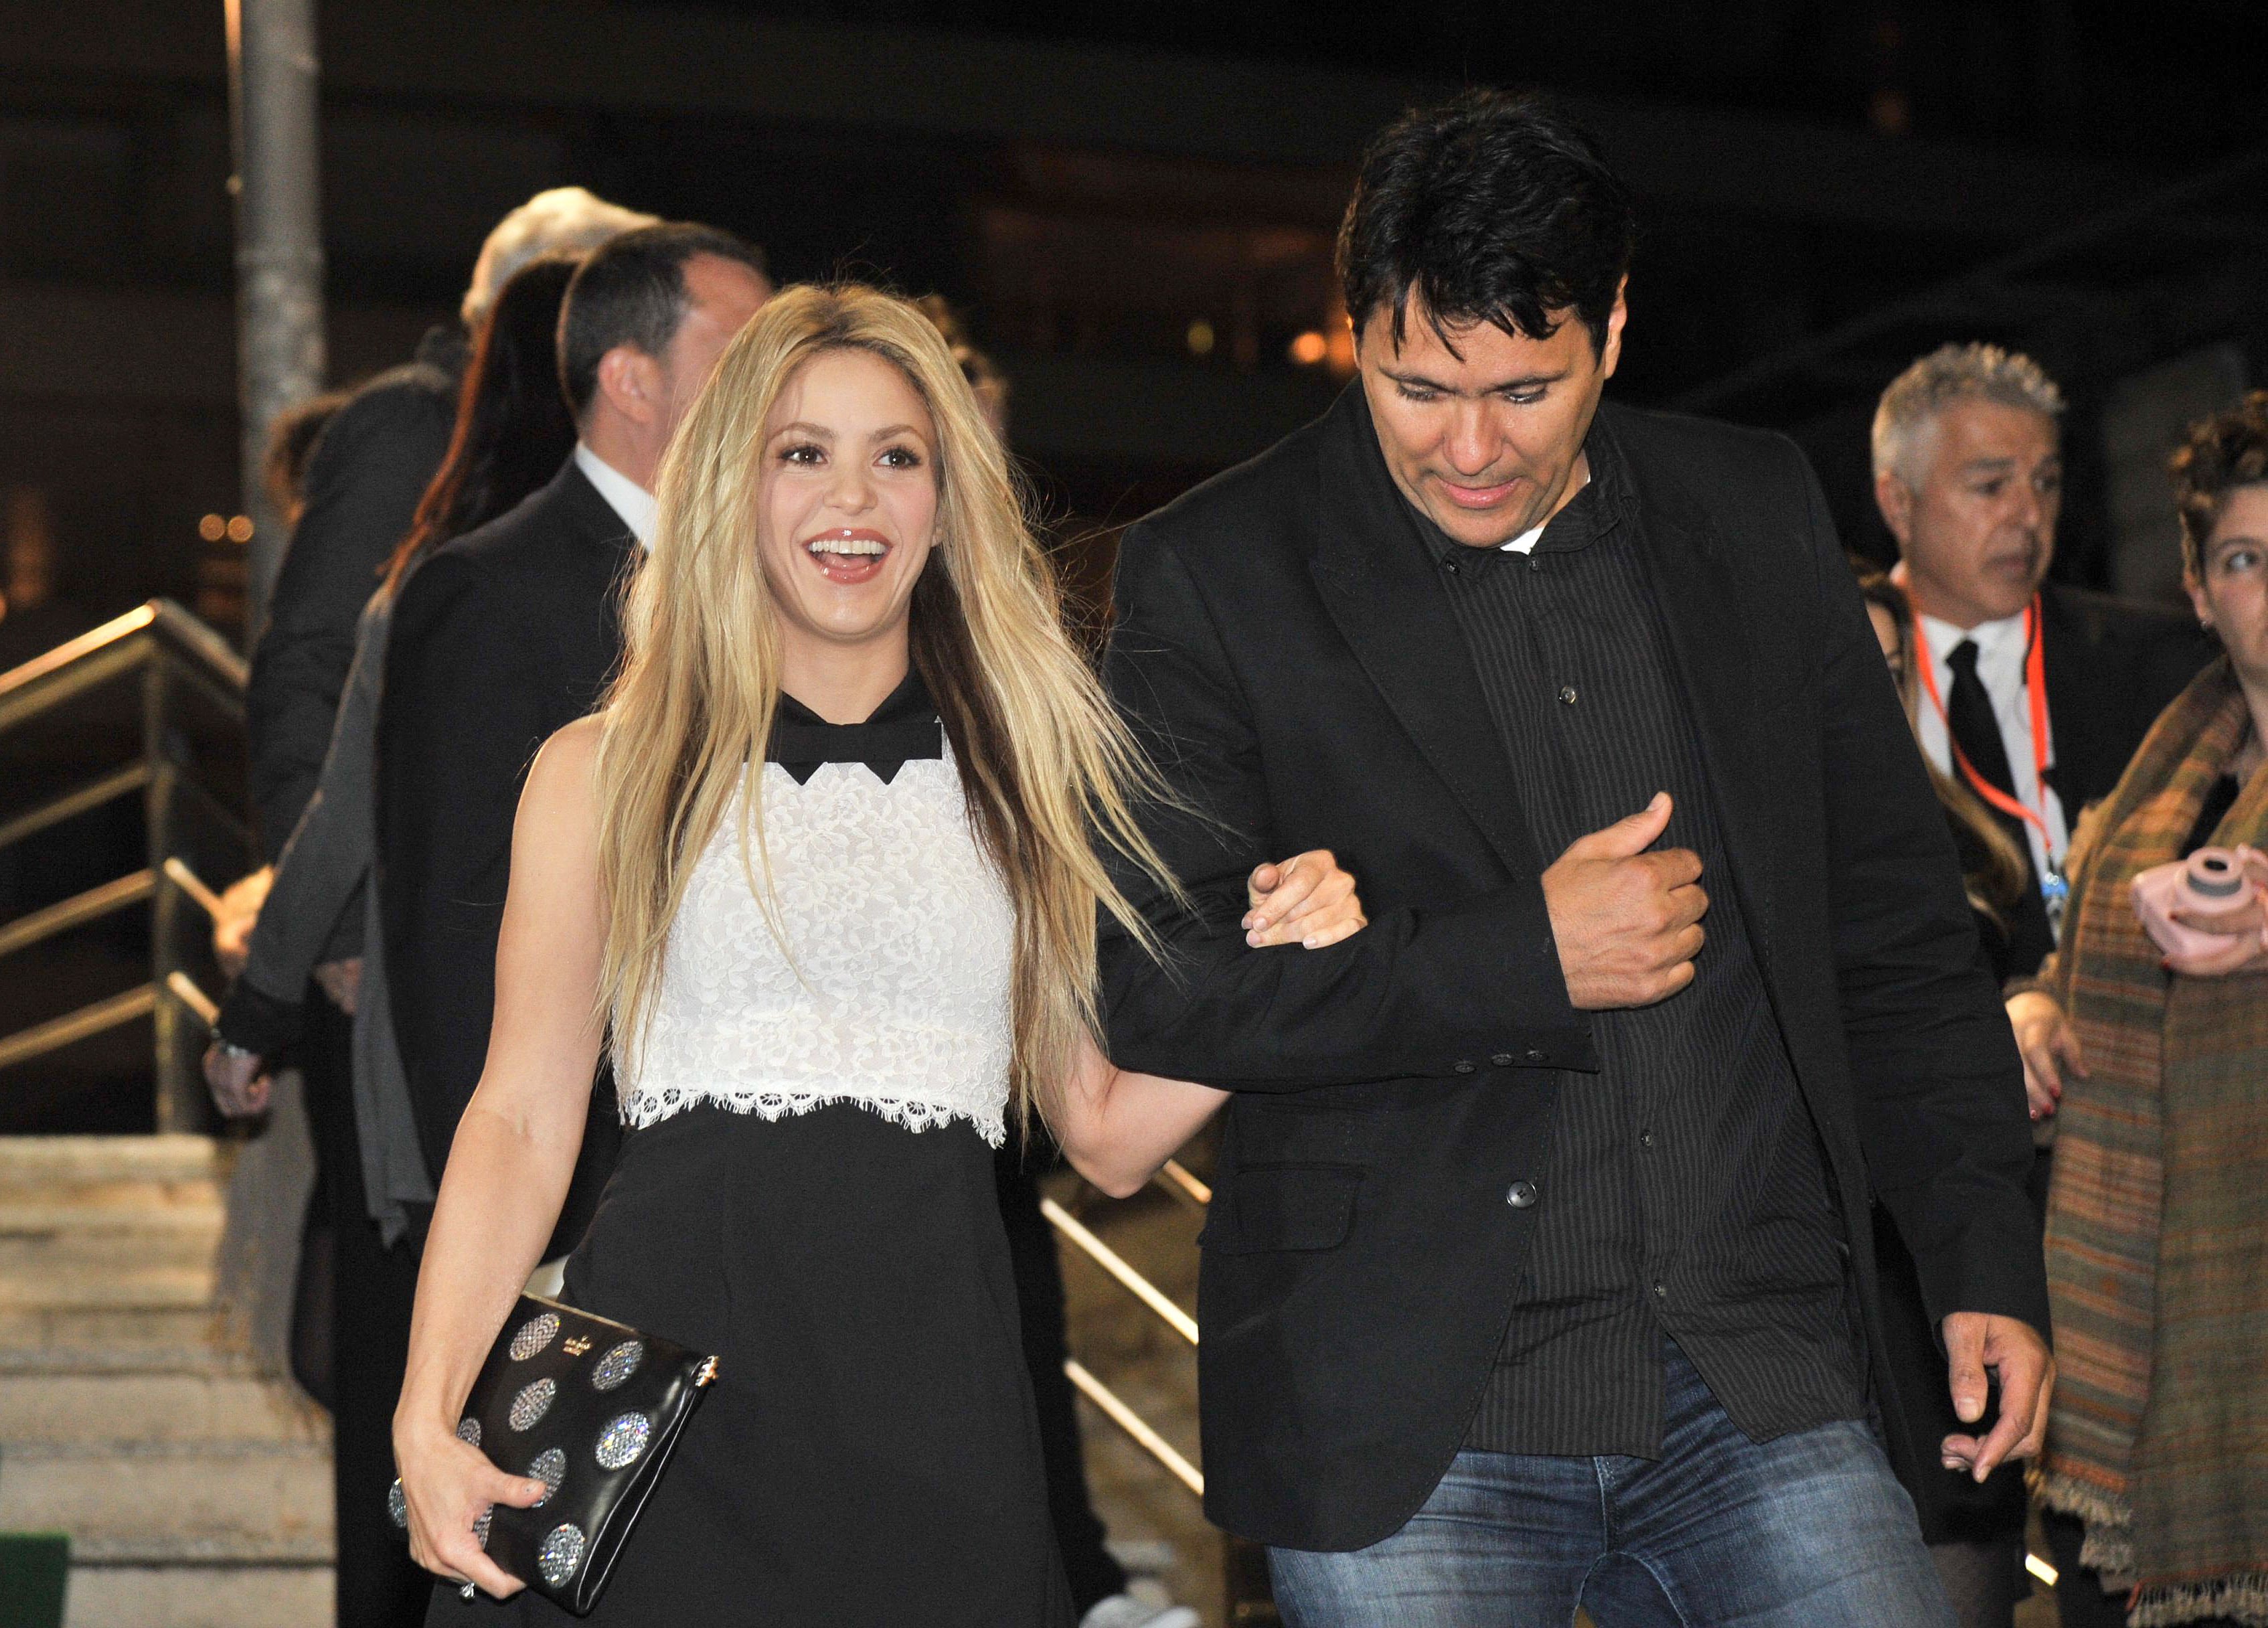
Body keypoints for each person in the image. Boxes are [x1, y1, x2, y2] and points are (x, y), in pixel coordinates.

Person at [1094, 90, 2052, 1627]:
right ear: (1356, 331)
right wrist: (1524, 956)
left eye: (1528, 389)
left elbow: (1897, 931)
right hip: (1410, 1413)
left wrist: (1982, 1249)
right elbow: (1158, 990)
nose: (1469, 446)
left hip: (1764, 1379)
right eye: (1417, 386)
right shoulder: (1219, 571)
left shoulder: (1749, 511)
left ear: (1613, 327)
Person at [393, 283, 1368, 1623]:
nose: (849, 498)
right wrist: (429, 1405)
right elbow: (516, 1112)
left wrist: (1295, 964)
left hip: (933, 1435)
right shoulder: (604, 770)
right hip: (663, 1428)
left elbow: (1105, 1131)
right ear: (736, 481)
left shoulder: (1029, 781)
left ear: (946, 495)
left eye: (895, 456)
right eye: (802, 452)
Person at [199, 254, 584, 1628]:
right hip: (430, 1041)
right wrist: (298, 973)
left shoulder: (531, 553)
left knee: (410, 1371)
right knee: (398, 1373)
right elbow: (319, 719)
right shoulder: (453, 528)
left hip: (462, 1054)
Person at [376, 223, 768, 1258]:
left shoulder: (782, 585)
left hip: (752, 1193)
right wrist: (528, 1245)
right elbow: (457, 933)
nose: (781, 386)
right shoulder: (490, 590)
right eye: (746, 353)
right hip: (588, 1213)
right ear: (633, 382)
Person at [916, 293, 1198, 1628]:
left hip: (991, 1106)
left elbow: (1106, 1135)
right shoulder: (673, 718)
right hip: (748, 1228)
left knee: (1003, 1336)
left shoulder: (1027, 649)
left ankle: (1071, 1575)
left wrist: (1292, 972)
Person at [2011, 391, 2268, 1628]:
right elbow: (2074, 988)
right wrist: (2031, 1012)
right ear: (2195, 583)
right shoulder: (2150, 793)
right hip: (2145, 1371)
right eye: (2242, 558)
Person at [1871, 343, 2214, 982]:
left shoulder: (2163, 665)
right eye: (1991, 485)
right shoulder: (1840, 687)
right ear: (1898, 504)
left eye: (2046, 482)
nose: (2029, 515)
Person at [1852, 561, 2039, 1628]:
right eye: (1848, 669)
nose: (1870, 695)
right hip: (1833, 1276)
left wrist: (2034, 1006)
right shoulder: (1754, 843)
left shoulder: (1969, 837)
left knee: (1965, 1568)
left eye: (1890, 670)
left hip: (1947, 1261)